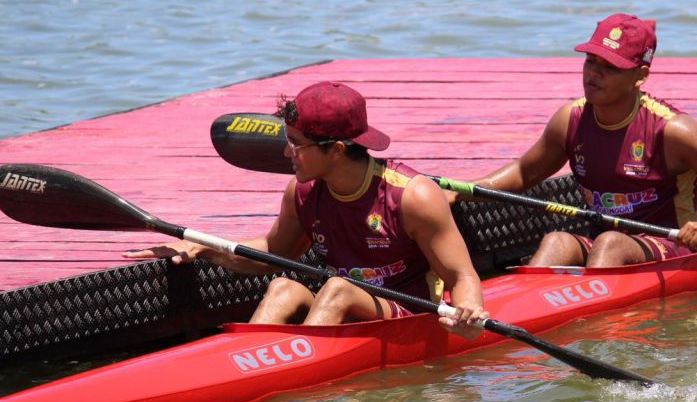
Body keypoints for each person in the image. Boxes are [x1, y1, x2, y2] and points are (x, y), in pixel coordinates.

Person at [124, 81, 487, 337]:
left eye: (295, 144)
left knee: (338, 288)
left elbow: (461, 276)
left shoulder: (413, 196)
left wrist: (468, 314)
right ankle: (248, 369)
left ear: (337, 150)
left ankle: (298, 384)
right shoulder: (302, 191)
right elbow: (272, 255)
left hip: (408, 312)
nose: (286, 154)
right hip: (341, 301)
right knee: (283, 286)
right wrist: (204, 247)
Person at [464, 13, 697, 268]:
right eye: (591, 61)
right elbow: (523, 172)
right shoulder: (571, 119)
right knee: (556, 241)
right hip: (602, 241)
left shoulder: (672, 130)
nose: (594, 74)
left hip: (671, 246)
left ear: (640, 76)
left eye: (610, 67)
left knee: (610, 244)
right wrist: (459, 192)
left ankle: (599, 331)